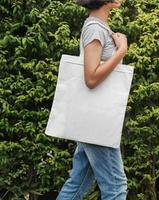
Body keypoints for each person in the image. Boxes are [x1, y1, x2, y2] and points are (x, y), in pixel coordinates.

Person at [56, 0, 128, 199]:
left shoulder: (100, 27)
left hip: (92, 119)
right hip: (97, 120)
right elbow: (91, 77)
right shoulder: (95, 28)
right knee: (116, 187)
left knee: (79, 181)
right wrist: (121, 50)